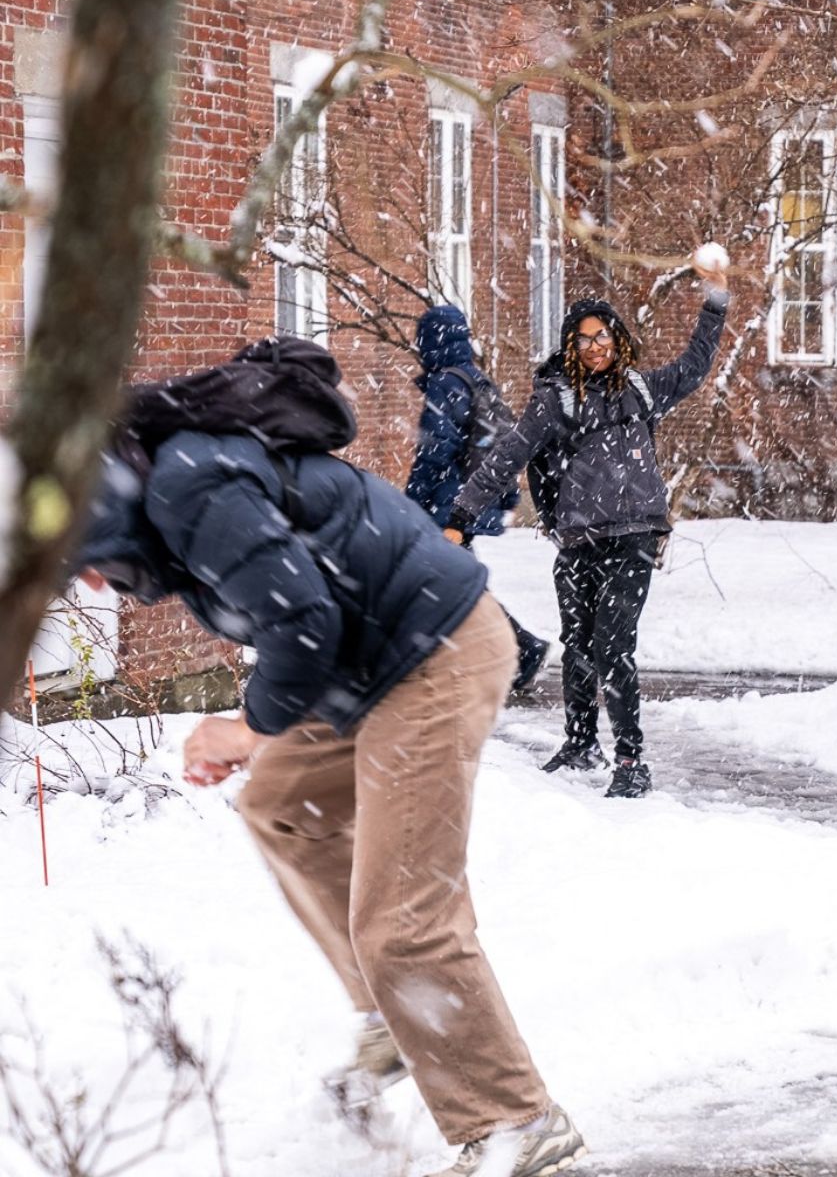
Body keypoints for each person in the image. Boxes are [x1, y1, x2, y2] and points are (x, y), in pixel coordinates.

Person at [72, 364, 585, 1176]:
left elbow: (303, 622)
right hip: (367, 664)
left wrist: (245, 727)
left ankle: (516, 1122)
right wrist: (260, 736)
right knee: (278, 802)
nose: (97, 583)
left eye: (91, 562)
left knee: (403, 922)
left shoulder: (186, 487)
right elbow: (301, 614)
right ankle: (394, 1016)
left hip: (434, 655)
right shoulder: (173, 487)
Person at [444, 248, 730, 800]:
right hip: (578, 542)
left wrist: (715, 299)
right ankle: (580, 743)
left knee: (613, 646)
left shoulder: (642, 391)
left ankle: (630, 759)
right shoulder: (556, 401)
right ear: (570, 347)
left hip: (635, 539)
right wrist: (460, 514)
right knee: (577, 644)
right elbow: (509, 454)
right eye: (585, 339)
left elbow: (695, 364)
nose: (596, 348)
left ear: (618, 340)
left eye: (604, 337)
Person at [405, 304, 550, 694]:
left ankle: (521, 649)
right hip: (469, 499)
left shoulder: (445, 384)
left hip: (447, 505)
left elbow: (436, 450)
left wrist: (413, 501)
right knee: (455, 582)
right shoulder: (475, 378)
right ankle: (509, 651)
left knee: (449, 584)